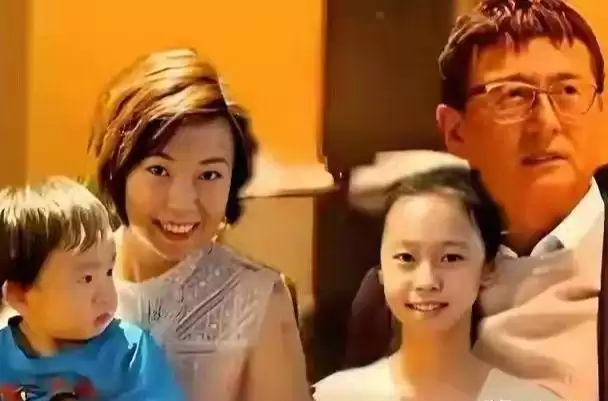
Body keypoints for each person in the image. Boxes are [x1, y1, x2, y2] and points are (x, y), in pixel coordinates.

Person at [87, 48, 311, 401]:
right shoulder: (56, 273)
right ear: (119, 168)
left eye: (209, 175)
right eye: (159, 170)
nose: (181, 202)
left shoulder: (256, 298)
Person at [436, 0, 604, 399]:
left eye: (568, 91)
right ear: (455, 131)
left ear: (600, 111)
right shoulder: (402, 284)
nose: (546, 122)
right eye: (514, 95)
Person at [313, 165, 558, 400]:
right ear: (381, 269)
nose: (426, 282)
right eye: (406, 258)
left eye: (450, 258)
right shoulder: (331, 397)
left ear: (487, 267)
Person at [0, 176, 184, 401]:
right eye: (86, 278)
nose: (106, 295)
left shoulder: (131, 353)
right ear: (20, 296)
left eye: (108, 272)